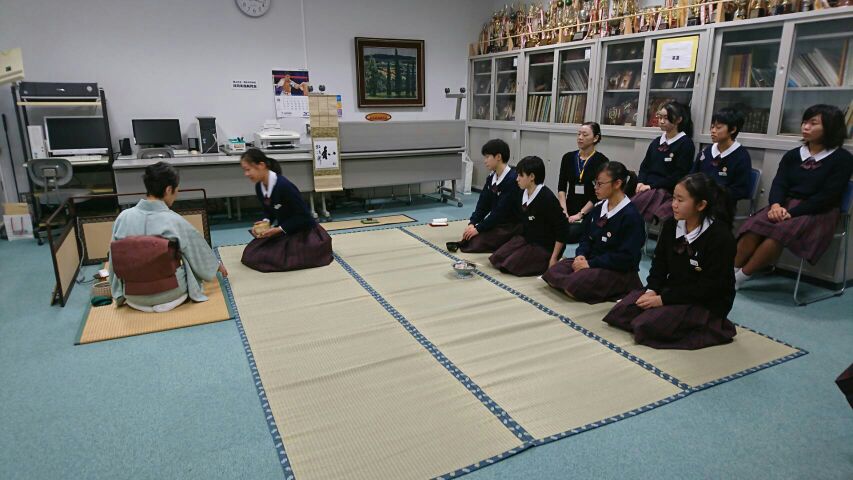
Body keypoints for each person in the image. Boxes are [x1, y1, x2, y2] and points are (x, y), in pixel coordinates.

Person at [602, 173, 738, 350]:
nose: (673, 204)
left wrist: (663, 300)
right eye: (673, 198)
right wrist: (652, 290)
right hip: (673, 290)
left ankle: (715, 326)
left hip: (704, 301)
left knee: (645, 326)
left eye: (680, 200)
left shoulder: (720, 237)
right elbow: (659, 264)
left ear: (701, 205)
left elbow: (710, 287)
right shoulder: (671, 225)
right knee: (620, 313)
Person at [734, 104, 853, 289]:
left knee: (779, 233)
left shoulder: (842, 159)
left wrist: (792, 213)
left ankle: (740, 278)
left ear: (830, 127)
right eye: (804, 122)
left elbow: (827, 196)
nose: (805, 127)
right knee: (754, 226)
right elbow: (780, 183)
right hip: (784, 206)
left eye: (813, 123)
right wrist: (775, 205)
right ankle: (729, 272)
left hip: (818, 211)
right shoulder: (793, 155)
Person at [109, 162, 227, 313]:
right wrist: (216, 264)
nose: (176, 195)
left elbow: (114, 259)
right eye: (176, 191)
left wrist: (118, 293)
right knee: (188, 258)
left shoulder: (123, 217)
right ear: (168, 189)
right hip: (171, 294)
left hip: (134, 296)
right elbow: (198, 251)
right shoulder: (174, 220)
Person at [543, 161, 645, 303]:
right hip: (591, 260)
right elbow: (586, 238)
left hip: (615, 269)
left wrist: (591, 264)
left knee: (574, 285)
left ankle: (619, 287)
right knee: (553, 272)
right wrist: (581, 255)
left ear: (617, 184)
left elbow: (626, 257)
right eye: (595, 183)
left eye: (600, 184)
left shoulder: (631, 216)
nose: (595, 188)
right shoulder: (598, 208)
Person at [239, 149, 333, 272]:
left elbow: (304, 216)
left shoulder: (284, 185)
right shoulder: (259, 186)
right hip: (284, 229)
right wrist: (265, 222)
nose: (246, 174)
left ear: (261, 165)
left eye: (248, 169)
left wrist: (279, 229)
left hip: (303, 231)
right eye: (244, 170)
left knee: (276, 259)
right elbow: (268, 210)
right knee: (251, 254)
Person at [489, 155, 570, 276]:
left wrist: (554, 258)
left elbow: (563, 228)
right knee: (497, 258)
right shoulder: (522, 192)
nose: (517, 179)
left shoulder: (546, 198)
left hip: (545, 245)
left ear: (532, 177)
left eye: (520, 176)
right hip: (529, 239)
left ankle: (546, 260)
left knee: (510, 266)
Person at [448, 139, 521, 253]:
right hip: (497, 222)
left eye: (487, 157)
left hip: (511, 225)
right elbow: (483, 204)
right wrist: (472, 223)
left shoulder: (512, 180)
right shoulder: (491, 179)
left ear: (498, 157)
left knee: (476, 242)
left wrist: (478, 228)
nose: (485, 161)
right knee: (470, 237)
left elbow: (500, 211)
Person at [632, 101, 696, 223]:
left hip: (666, 189)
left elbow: (679, 175)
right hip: (647, 187)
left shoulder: (685, 144)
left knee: (637, 206)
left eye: (666, 118)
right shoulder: (657, 142)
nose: (661, 121)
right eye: (660, 117)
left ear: (678, 120)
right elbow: (645, 166)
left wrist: (650, 186)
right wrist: (640, 182)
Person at [557, 122, 610, 243]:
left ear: (595, 138)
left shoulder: (602, 161)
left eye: (585, 135)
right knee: (551, 228)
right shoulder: (568, 157)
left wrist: (580, 214)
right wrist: (564, 211)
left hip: (589, 210)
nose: (580, 137)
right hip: (568, 207)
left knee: (569, 234)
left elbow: (598, 194)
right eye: (579, 134)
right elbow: (561, 187)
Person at [692, 108, 752, 212]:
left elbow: (741, 190)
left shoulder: (741, 156)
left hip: (722, 206)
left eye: (718, 127)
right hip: (699, 200)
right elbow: (692, 175)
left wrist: (715, 193)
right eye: (712, 127)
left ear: (733, 129)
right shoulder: (706, 151)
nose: (713, 131)